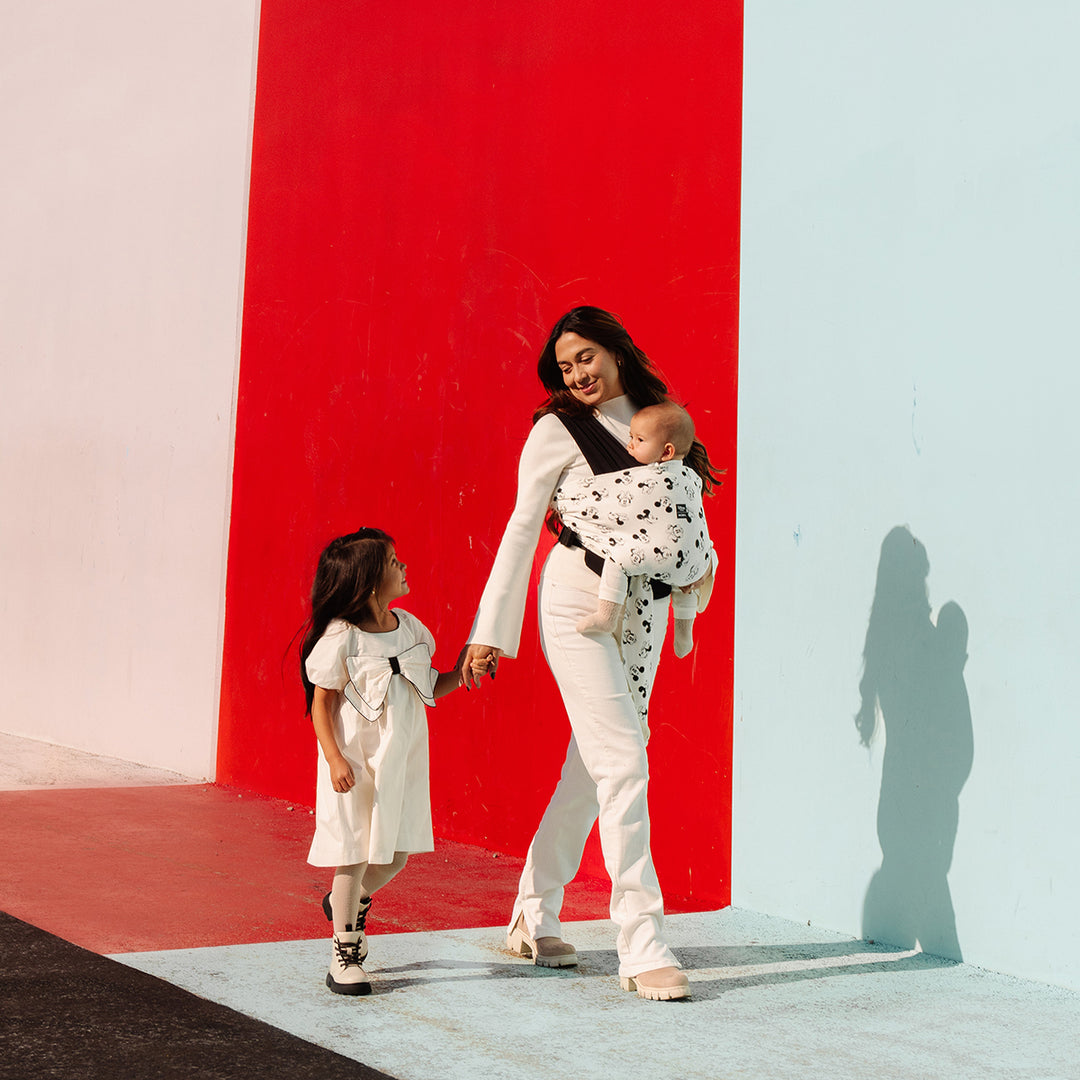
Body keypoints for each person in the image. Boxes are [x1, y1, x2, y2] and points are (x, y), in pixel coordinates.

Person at [460, 307, 721, 1002]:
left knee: (594, 766)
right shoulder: (556, 431)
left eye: (586, 356)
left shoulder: (659, 419)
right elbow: (522, 529)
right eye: (565, 364)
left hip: (647, 608)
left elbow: (682, 514)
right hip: (579, 601)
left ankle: (531, 911)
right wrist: (489, 630)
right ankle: (641, 942)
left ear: (615, 350)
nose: (577, 372)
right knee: (624, 761)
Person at [300, 527, 475, 995]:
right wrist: (334, 757)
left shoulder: (412, 629)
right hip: (354, 763)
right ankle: (345, 951)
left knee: (396, 855)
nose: (404, 568)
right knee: (353, 850)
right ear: (370, 581)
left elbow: (429, 685)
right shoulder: (342, 637)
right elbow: (321, 704)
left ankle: (346, 902)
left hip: (402, 760)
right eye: (394, 562)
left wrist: (462, 672)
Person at [565, 401, 714, 657]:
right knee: (696, 564)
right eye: (631, 437)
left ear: (666, 451)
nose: (630, 444)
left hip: (660, 558)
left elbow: (610, 492)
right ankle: (684, 630)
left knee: (619, 557)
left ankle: (606, 615)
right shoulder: (691, 477)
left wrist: (565, 498)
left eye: (639, 439)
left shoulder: (646, 477)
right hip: (695, 566)